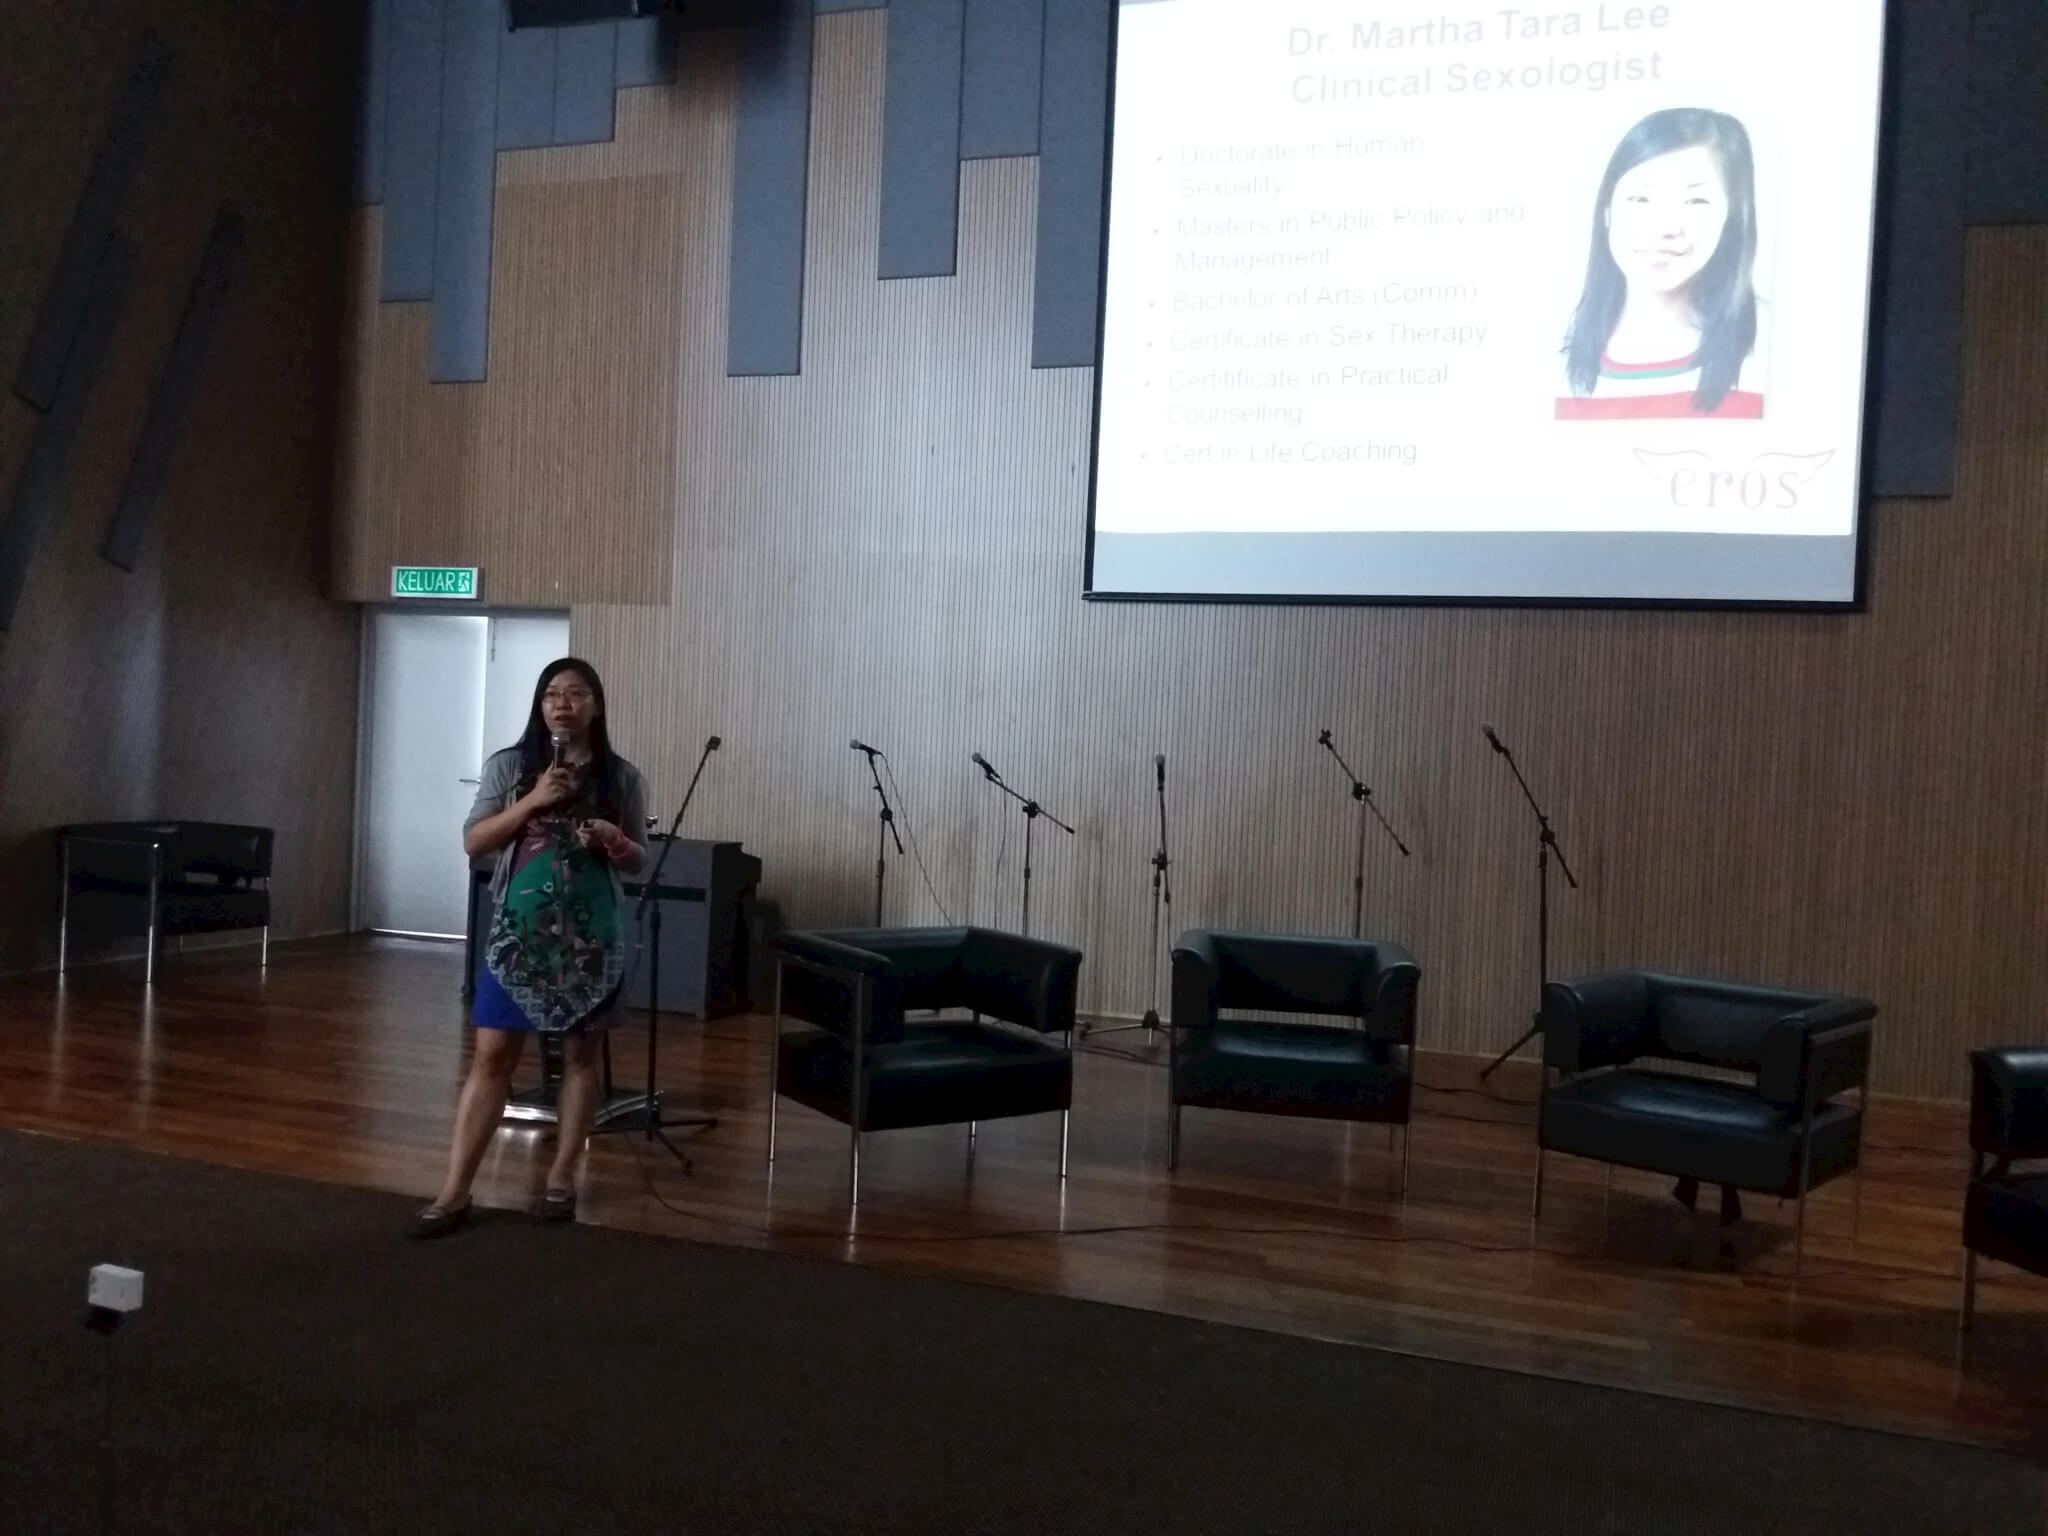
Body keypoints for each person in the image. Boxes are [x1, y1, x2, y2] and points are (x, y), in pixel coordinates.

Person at [412, 658, 651, 1238]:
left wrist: (614, 839)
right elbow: (474, 842)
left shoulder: (621, 777)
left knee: (579, 1057)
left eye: (575, 694)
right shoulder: (511, 766)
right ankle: (455, 1189)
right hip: (519, 931)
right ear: (540, 706)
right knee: (492, 1055)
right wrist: (532, 801)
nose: (561, 704)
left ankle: (562, 1177)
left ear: (596, 705)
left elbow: (639, 861)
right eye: (551, 695)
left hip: (590, 937)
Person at [1555, 108, 1764, 421]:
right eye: (1640, 199)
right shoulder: (1554, 360)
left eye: (1695, 201)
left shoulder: (1766, 352)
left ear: (1732, 218)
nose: (1664, 228)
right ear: (1607, 212)